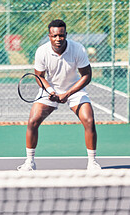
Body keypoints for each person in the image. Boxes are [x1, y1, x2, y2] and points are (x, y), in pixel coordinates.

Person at [17, 19, 101, 171]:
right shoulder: (42, 51)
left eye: (61, 35)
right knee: (33, 120)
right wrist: (50, 91)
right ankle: (29, 162)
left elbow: (87, 75)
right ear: (49, 36)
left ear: (66, 35)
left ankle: (92, 162)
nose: (58, 39)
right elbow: (40, 77)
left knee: (89, 120)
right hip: (50, 89)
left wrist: (68, 93)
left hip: (74, 89)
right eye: (54, 36)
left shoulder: (78, 49)